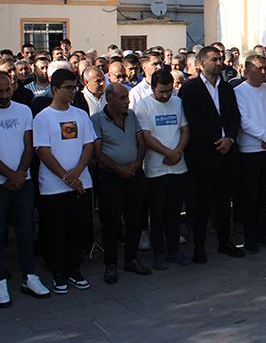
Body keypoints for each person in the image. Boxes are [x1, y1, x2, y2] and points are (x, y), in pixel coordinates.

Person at [0, 71, 50, 308]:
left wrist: (19, 175)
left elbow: (29, 146)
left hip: (23, 182)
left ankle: (29, 276)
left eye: (7, 89)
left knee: (26, 231)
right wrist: (11, 176)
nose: (4, 95)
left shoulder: (23, 110)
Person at [178, 46, 244, 264]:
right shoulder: (190, 89)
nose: (219, 63)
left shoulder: (227, 88)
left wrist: (230, 139)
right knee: (202, 203)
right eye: (214, 59)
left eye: (220, 59)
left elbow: (235, 115)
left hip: (227, 153)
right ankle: (199, 246)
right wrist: (217, 141)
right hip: (204, 155)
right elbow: (194, 120)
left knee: (225, 201)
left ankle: (225, 241)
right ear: (201, 63)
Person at [33, 68, 95, 294]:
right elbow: (43, 151)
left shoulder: (80, 115)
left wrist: (77, 171)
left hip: (81, 183)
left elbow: (89, 145)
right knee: (55, 231)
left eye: (75, 87)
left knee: (77, 230)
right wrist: (65, 177)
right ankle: (58, 272)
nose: (73, 92)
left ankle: (73, 269)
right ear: (55, 89)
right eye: (68, 88)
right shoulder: (43, 117)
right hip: (54, 187)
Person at [92, 82, 152, 284]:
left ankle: (131, 259)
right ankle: (111, 263)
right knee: (111, 222)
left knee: (134, 219)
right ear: (109, 100)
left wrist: (135, 166)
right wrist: (119, 169)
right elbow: (97, 152)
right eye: (122, 98)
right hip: (111, 177)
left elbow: (141, 142)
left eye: (127, 97)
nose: (127, 101)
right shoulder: (97, 120)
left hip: (134, 175)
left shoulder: (131, 116)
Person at [134, 71, 193, 270]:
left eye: (169, 91)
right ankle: (159, 253)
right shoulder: (143, 105)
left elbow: (185, 130)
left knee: (174, 213)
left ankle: (174, 250)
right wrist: (168, 152)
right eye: (162, 92)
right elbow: (147, 137)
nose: (166, 96)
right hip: (155, 170)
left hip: (178, 168)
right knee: (157, 214)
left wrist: (178, 152)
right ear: (152, 88)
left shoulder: (177, 102)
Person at [234, 54, 266, 253]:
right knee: (249, 197)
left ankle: (263, 233)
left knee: (265, 196)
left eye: (265, 67)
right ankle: (250, 237)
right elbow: (244, 120)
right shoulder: (239, 91)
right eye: (258, 69)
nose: (264, 72)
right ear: (246, 71)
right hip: (250, 152)